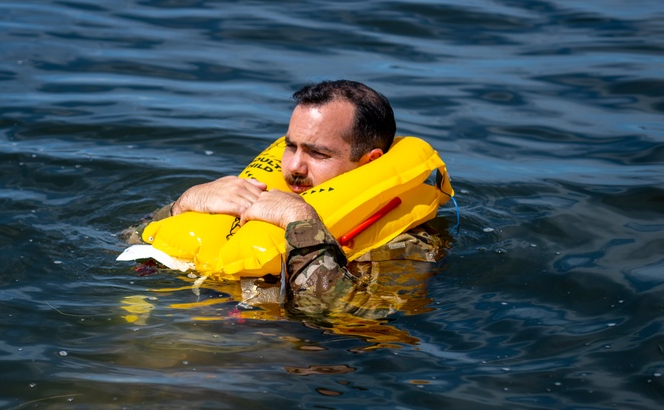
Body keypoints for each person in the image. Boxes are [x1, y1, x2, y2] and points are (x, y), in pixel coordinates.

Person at [123, 80, 446, 317]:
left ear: (370, 162)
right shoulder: (254, 193)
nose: (293, 167)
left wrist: (302, 224)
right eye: (291, 146)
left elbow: (348, 313)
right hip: (164, 322)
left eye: (318, 153)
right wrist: (183, 203)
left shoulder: (412, 242)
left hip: (267, 362)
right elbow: (123, 245)